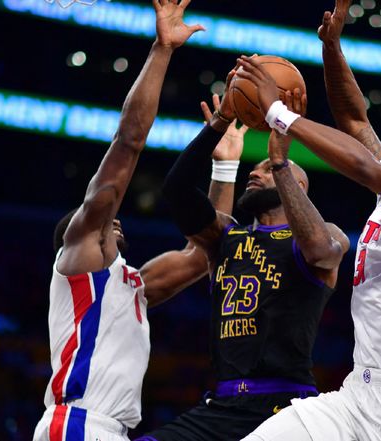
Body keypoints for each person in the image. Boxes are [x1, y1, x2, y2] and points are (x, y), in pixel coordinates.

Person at [235, 2, 381, 439]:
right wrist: (332, 48)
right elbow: (353, 119)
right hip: (356, 392)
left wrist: (279, 115)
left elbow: (363, 166)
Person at [136, 81, 350, 441]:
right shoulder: (225, 237)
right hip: (222, 406)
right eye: (258, 168)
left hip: (287, 405)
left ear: (295, 184)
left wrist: (279, 163)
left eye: (264, 169)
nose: (254, 172)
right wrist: (217, 126)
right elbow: (176, 190)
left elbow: (321, 252)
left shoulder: (323, 234)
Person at [32, 1, 207, 440]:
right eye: (104, 221)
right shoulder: (80, 256)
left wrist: (221, 152)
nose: (115, 221)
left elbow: (204, 252)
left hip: (112, 429)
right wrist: (162, 50)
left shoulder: (133, 287)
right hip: (78, 422)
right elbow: (128, 141)